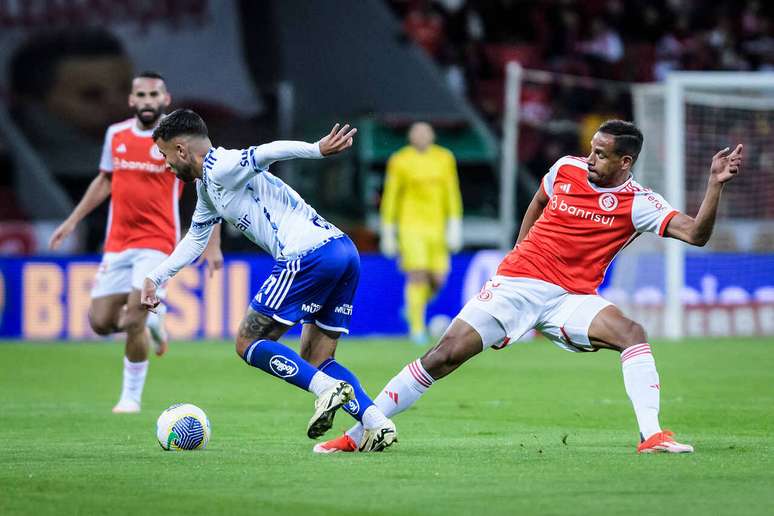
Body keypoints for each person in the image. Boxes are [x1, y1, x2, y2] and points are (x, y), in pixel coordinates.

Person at [318, 119, 743, 454]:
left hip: (571, 298)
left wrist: (713, 186)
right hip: (518, 283)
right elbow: (539, 200)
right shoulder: (566, 169)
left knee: (632, 334)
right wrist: (519, 252)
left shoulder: (640, 204)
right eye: (591, 149)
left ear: (625, 162)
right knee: (443, 356)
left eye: (601, 153)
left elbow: (695, 234)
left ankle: (653, 436)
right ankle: (361, 434)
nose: (590, 157)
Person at [141, 109, 397, 451]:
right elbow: (196, 239)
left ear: (182, 150)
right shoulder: (208, 187)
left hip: (307, 254)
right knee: (317, 359)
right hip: (343, 251)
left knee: (248, 342)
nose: (166, 163)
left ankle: (326, 390)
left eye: (165, 154)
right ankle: (377, 424)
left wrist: (316, 149)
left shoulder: (223, 166)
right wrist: (156, 277)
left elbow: (268, 151)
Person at [48, 73, 223, 414]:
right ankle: (155, 327)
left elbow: (212, 185)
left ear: (165, 99)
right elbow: (105, 180)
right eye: (140, 94)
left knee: (133, 320)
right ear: (131, 100)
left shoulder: (177, 142)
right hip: (117, 243)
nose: (146, 100)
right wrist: (72, 220)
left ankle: (130, 397)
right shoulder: (116, 135)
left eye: (153, 94)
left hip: (157, 243)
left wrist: (212, 244)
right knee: (100, 322)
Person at [380, 122, 463, 344]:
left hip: (437, 227)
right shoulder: (400, 160)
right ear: (410, 137)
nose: (422, 136)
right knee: (417, 274)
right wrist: (388, 230)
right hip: (411, 226)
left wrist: (455, 223)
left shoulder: (444, 158)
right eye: (417, 133)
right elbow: (391, 195)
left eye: (425, 133)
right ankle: (417, 328)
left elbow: (451, 191)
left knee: (438, 279)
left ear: (433, 135)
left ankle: (412, 308)